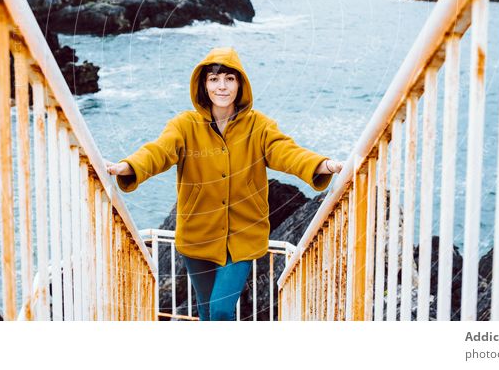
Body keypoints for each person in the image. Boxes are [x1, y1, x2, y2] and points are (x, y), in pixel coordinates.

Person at [106, 46, 343, 321]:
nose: (222, 86)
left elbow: (285, 152)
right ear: (203, 85)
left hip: (242, 237)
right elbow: (159, 151)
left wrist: (321, 164)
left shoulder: (259, 126)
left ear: (240, 84)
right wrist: (128, 166)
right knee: (206, 311)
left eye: (230, 79)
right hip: (198, 235)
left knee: (220, 311)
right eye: (214, 79)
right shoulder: (185, 125)